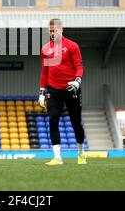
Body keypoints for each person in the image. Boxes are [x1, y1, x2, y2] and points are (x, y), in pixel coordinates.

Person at [38, 19, 86, 165]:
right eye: (50, 31)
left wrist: (77, 81)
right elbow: (45, 72)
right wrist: (41, 92)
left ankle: (81, 153)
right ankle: (57, 157)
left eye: (55, 30)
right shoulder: (46, 49)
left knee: (76, 122)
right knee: (53, 120)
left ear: (61, 30)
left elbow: (79, 67)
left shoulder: (72, 46)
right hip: (53, 90)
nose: (52, 33)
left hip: (71, 89)